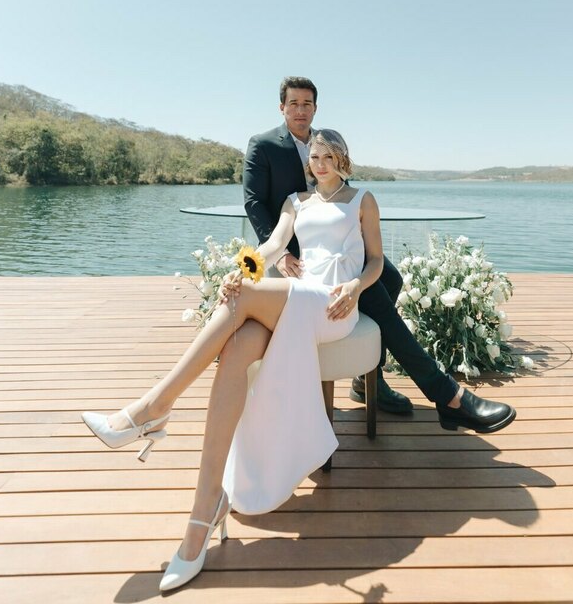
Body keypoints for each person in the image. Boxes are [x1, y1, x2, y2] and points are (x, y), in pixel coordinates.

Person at [82, 129, 386, 593]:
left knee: (242, 302)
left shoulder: (362, 199)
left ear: (342, 158)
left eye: (328, 156)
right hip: (295, 297)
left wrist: (355, 289)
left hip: (332, 303)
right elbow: (268, 249)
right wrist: (239, 269)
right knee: (240, 345)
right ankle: (203, 515)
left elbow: (377, 262)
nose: (319, 163)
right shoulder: (295, 202)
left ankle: (152, 409)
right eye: (315, 156)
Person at [243, 76, 516, 433]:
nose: (300, 110)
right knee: (380, 303)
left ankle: (373, 372)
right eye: (293, 104)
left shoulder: (338, 163)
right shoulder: (267, 151)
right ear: (282, 107)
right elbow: (259, 212)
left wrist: (355, 283)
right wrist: (258, 263)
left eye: (307, 104)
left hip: (347, 257)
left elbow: (362, 235)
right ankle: (443, 396)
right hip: (304, 260)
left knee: (390, 279)